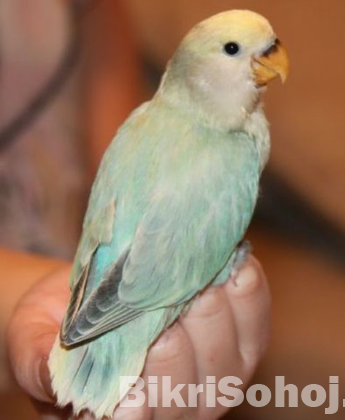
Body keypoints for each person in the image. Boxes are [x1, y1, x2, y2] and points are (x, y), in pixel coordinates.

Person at [1, 1, 271, 418]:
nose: (268, 60)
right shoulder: (235, 154)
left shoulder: (142, 122)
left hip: (81, 268)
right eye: (234, 50)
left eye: (267, 48)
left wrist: (78, 297)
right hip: (114, 286)